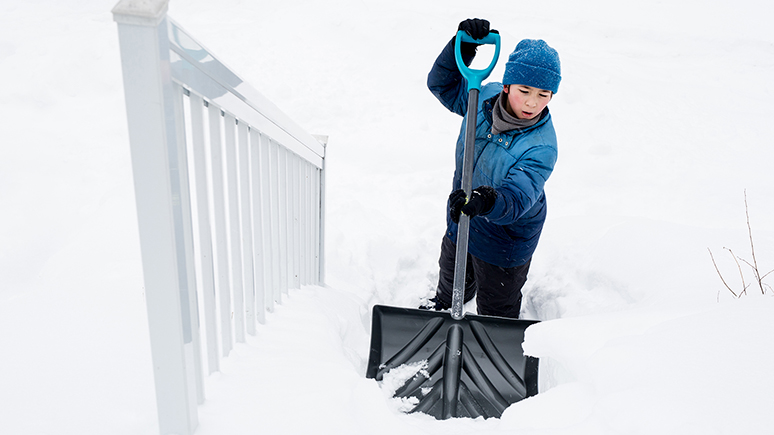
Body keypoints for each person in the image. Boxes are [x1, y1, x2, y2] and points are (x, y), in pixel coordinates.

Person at [421, 18, 561, 319]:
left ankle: (492, 340)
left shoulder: (542, 147)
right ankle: (444, 308)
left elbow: (516, 198)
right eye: (524, 90)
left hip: (506, 238)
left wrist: (485, 200)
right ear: (507, 85)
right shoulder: (483, 97)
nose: (532, 103)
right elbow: (442, 84)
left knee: (497, 306)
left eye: (543, 95)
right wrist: (465, 46)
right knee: (452, 274)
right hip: (463, 214)